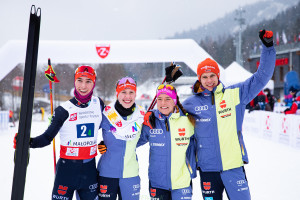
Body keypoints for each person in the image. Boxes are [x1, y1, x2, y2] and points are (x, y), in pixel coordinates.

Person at [182, 29, 276, 200]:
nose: (209, 80)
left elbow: (262, 77)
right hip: (208, 171)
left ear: (218, 76)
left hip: (234, 168)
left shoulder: (235, 94)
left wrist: (267, 47)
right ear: (199, 79)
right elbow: (168, 113)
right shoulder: (190, 104)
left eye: (212, 75)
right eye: (205, 77)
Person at [14, 65, 104, 200]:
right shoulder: (63, 110)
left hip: (89, 171)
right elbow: (46, 138)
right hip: (66, 172)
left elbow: (108, 127)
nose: (83, 86)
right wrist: (27, 142)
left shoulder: (98, 104)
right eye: (80, 80)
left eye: (88, 81)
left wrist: (105, 143)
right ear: (75, 81)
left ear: (94, 83)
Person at [137, 84, 196, 200]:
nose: (163, 103)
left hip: (182, 183)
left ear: (174, 101)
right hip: (157, 183)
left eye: (167, 99)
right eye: (160, 99)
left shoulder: (187, 121)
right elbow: (133, 141)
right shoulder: (150, 121)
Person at [97, 77, 145, 200]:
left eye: (131, 92)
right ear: (117, 93)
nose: (127, 97)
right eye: (123, 92)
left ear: (135, 94)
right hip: (107, 173)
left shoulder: (141, 115)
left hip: (131, 174)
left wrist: (130, 146)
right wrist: (102, 144)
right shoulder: (106, 113)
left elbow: (144, 137)